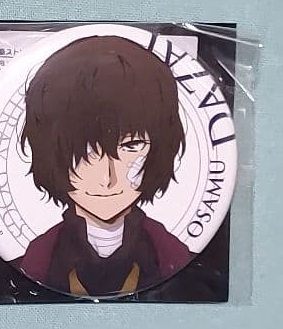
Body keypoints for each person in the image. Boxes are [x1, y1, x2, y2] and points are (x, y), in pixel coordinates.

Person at [16, 35, 193, 297]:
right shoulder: (38, 259)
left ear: (161, 146)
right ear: (49, 151)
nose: (107, 178)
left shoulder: (172, 255)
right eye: (85, 151)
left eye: (131, 146)